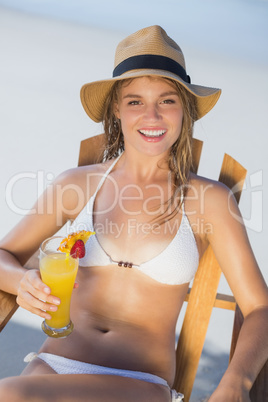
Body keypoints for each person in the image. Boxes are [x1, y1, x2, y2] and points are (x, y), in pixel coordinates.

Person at [0, 25, 267, 402]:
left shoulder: (208, 200)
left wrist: (236, 383)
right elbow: (4, 256)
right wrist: (20, 281)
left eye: (167, 101)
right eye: (136, 101)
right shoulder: (76, 186)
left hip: (138, 383)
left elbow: (259, 308)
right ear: (116, 108)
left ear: (185, 109)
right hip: (53, 366)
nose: (152, 116)